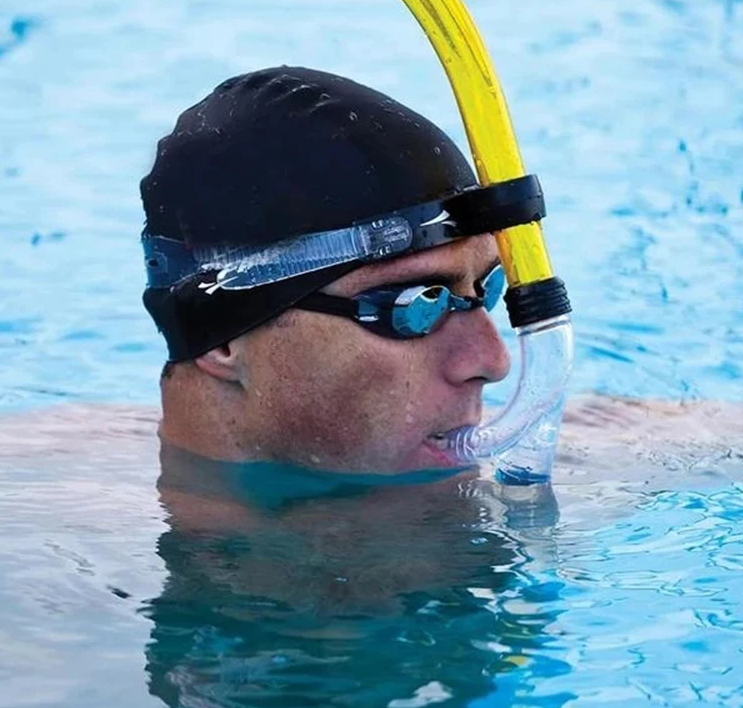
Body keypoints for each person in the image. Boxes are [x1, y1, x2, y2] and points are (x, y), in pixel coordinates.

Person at [142, 64, 522, 475]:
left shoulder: (569, 461)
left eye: (488, 286)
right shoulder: (99, 506)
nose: (494, 361)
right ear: (224, 338)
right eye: (416, 305)